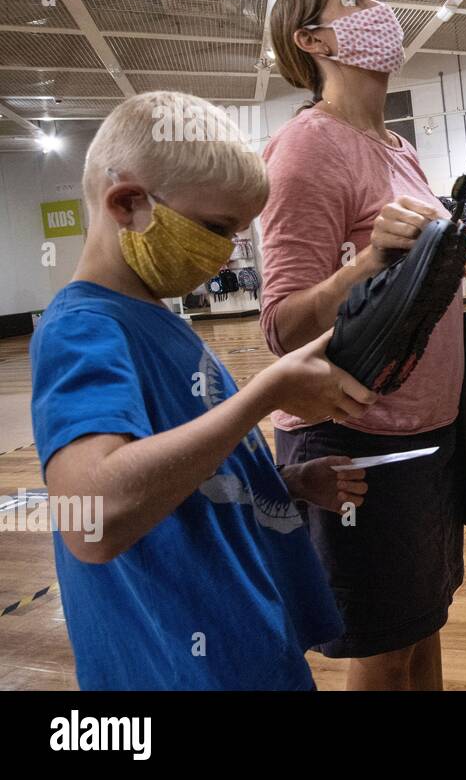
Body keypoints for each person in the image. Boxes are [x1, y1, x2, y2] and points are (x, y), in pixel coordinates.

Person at [31, 91, 373, 690]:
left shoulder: (158, 320)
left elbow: (185, 476)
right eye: (216, 229)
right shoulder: (82, 329)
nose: (223, 254)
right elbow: (92, 517)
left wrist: (283, 486)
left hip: (244, 642)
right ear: (128, 204)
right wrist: (265, 395)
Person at [260, 0, 466, 690]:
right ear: (312, 39)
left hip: (428, 430)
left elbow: (411, 274)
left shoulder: (398, 145)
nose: (379, 9)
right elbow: (282, 326)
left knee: (425, 625)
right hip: (359, 437)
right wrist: (369, 260)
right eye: (356, 0)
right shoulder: (306, 148)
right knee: (384, 652)